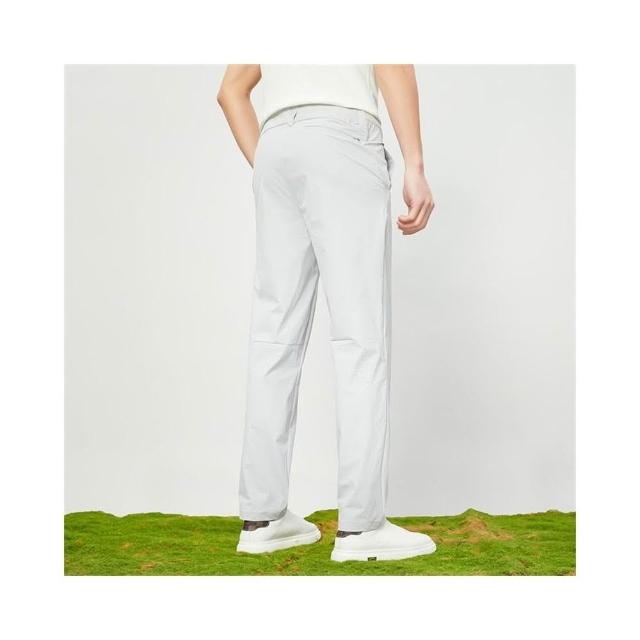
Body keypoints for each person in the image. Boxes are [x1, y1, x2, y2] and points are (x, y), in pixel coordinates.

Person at [218, 64, 436, 561]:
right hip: (342, 138)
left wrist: (275, 164)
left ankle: (262, 518)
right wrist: (415, 165)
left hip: (277, 144)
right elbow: (391, 61)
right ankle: (361, 527)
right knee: (360, 338)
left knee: (274, 338)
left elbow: (231, 91)